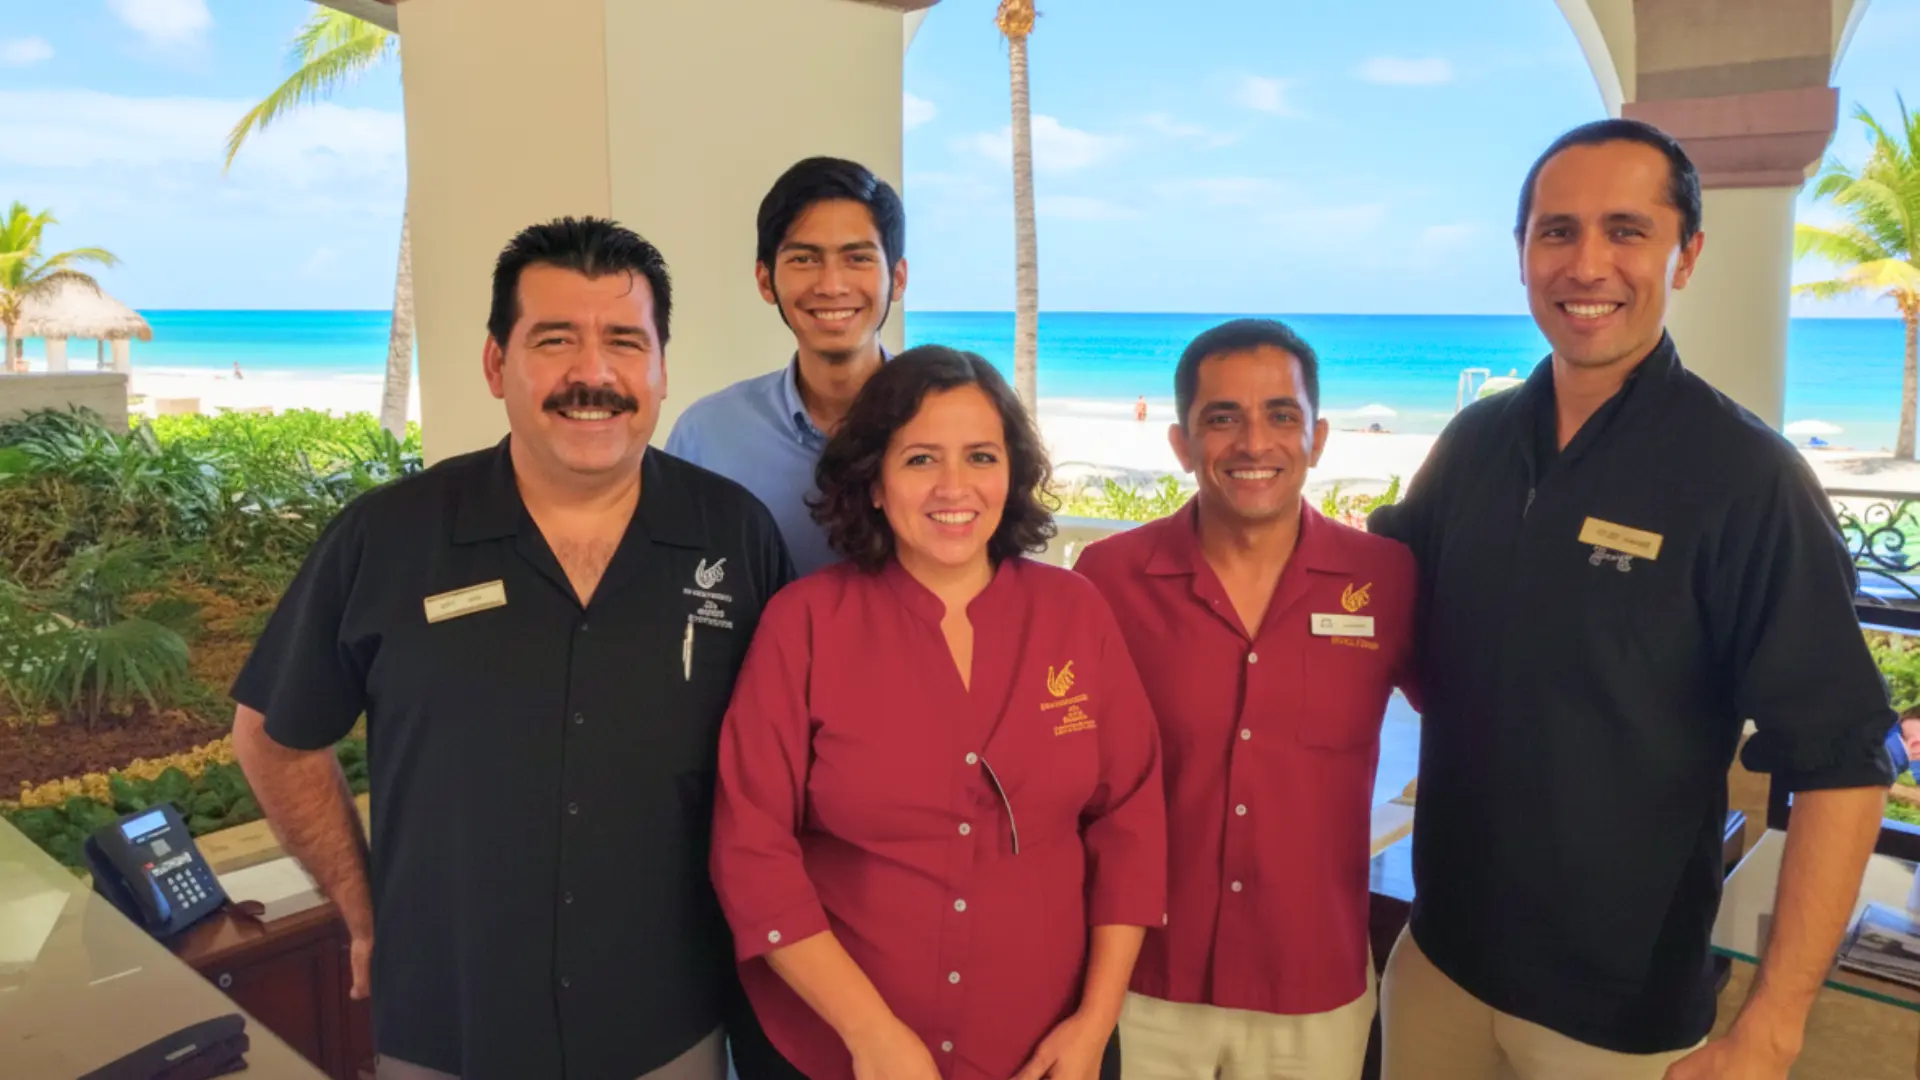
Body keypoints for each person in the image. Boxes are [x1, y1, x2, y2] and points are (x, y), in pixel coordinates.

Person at [1368, 118, 1896, 1080]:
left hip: (1615, 1014)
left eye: (1627, 229)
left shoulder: (1747, 478)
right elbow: (1388, 624)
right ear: (1523, 254)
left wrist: (1774, 1023)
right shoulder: (1473, 445)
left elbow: (1845, 764)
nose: (1587, 264)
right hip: (1439, 962)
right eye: (1557, 231)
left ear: (1685, 255)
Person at [229, 218, 794, 1080]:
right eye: (555, 340)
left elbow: (787, 764)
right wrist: (360, 902)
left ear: (661, 370)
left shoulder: (735, 534)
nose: (593, 374)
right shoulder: (389, 537)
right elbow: (274, 731)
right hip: (448, 1023)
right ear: (497, 364)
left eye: (623, 342)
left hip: (670, 1021)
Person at [710, 346, 1167, 1080]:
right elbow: (752, 849)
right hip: (836, 1054)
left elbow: (1131, 822)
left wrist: (1096, 1021)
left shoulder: (1075, 612)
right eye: (921, 459)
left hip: (1049, 1054)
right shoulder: (804, 624)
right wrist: (871, 1035)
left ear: (1011, 474)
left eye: (981, 456)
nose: (955, 487)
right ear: (875, 484)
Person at [1074, 319, 1418, 1080]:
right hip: (1143, 980)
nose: (1254, 442)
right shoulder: (1107, 579)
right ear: (1180, 444)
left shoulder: (1389, 580)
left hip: (1315, 987)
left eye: (1281, 415)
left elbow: (1478, 716)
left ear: (1319, 436)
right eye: (1222, 417)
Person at [667, 156, 908, 576]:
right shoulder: (706, 435)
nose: (831, 285)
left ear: (898, 279)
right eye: (804, 259)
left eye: (858, 258)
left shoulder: (944, 425)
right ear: (765, 281)